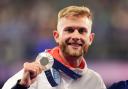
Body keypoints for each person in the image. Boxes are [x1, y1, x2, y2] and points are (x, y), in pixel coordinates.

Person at [2, 5, 106, 89]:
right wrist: (21, 87)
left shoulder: (95, 81)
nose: (75, 36)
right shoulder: (32, 75)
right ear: (56, 36)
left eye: (82, 31)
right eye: (69, 30)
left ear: (91, 39)